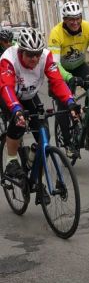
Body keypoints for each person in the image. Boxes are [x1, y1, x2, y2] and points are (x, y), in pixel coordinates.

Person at [0, 27, 79, 178]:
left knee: (44, 137)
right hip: (8, 94)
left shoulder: (46, 56)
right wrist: (16, 110)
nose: (35, 59)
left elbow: (57, 81)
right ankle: (11, 161)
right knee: (18, 123)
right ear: (21, 51)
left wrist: (70, 102)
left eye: (37, 54)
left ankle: (36, 177)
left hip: (29, 95)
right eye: (30, 55)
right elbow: (7, 87)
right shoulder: (9, 58)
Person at [48, 1, 89, 156]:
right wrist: (68, 77)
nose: (75, 22)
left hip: (79, 65)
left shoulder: (87, 27)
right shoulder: (56, 33)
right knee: (64, 104)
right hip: (61, 71)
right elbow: (54, 63)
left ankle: (86, 116)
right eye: (71, 19)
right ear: (64, 20)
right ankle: (68, 144)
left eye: (78, 18)